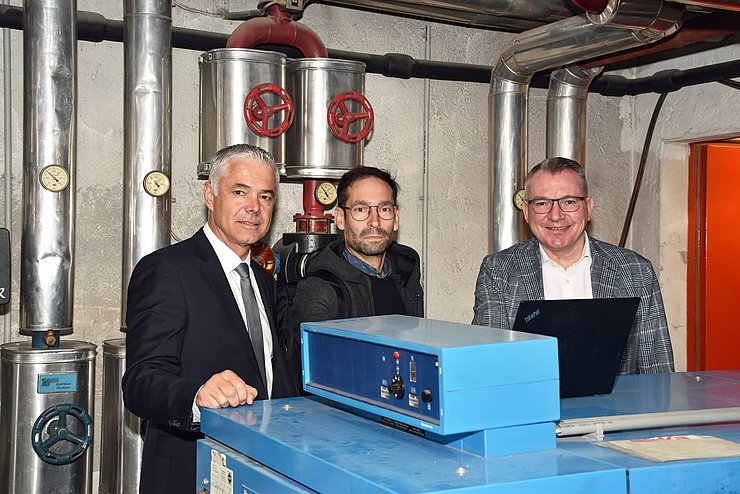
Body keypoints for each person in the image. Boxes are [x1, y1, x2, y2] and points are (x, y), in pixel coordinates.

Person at [122, 144, 298, 494]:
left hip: (261, 469)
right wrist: (197, 393)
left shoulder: (264, 280)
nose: (254, 208)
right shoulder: (167, 270)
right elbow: (140, 382)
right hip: (192, 471)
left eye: (265, 197)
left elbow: (271, 373)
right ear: (210, 195)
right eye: (239, 192)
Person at [472, 157, 674, 374]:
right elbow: (488, 366)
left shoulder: (635, 271)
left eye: (569, 201)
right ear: (526, 212)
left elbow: (657, 371)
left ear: (588, 207)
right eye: (542, 203)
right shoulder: (498, 272)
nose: (556, 215)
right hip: (531, 406)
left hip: (617, 408)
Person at [288, 167, 424, 362]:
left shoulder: (407, 272)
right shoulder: (320, 289)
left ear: (396, 218)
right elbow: (320, 373)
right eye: (361, 210)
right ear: (341, 219)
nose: (375, 222)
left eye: (384, 209)